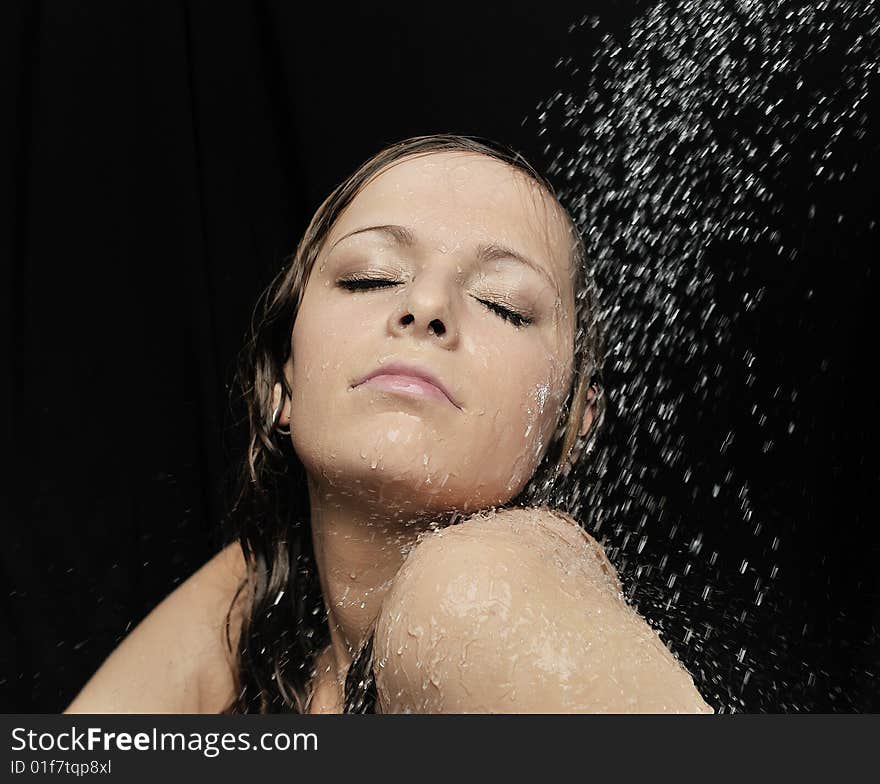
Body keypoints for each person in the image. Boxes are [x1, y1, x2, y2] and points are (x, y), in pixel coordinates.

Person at [65, 134, 712, 714]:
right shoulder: (273, 628)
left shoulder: (478, 585)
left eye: (504, 305)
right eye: (370, 277)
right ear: (283, 380)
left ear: (569, 429)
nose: (426, 305)